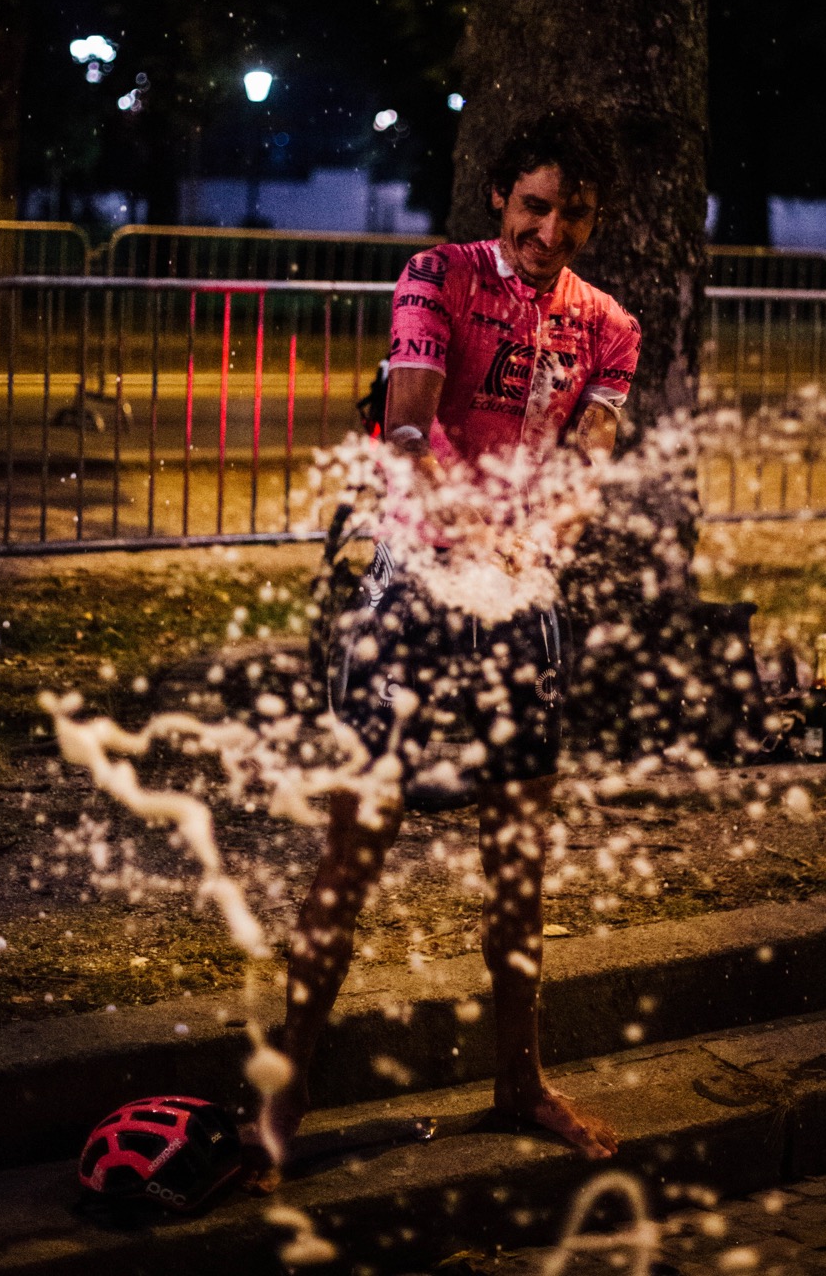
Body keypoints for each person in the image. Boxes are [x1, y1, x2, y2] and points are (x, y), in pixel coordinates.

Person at [266, 112, 641, 1168]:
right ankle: (278, 1109)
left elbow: (588, 463)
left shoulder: (611, 324)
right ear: (498, 199)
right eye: (534, 205)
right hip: (418, 595)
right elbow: (412, 428)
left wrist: (540, 549)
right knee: (353, 855)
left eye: (572, 213)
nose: (550, 229)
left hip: (524, 607)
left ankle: (519, 1084)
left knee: (517, 866)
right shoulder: (435, 276)